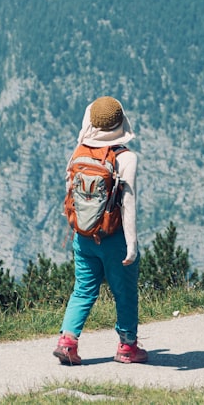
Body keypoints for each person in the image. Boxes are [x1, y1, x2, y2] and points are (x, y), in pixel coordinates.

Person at [53, 96, 148, 365]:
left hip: (83, 236)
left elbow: (69, 191)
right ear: (120, 123)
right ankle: (128, 346)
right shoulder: (126, 157)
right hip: (113, 237)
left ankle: (67, 342)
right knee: (124, 292)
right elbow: (128, 203)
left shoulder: (79, 152)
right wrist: (132, 244)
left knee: (83, 290)